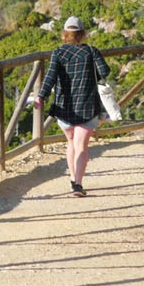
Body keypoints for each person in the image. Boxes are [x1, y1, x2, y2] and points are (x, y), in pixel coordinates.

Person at [32, 16, 109, 197]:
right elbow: (105, 71)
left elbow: (50, 77)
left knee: (70, 142)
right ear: (82, 34)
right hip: (87, 105)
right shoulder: (91, 51)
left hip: (64, 107)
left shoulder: (58, 53)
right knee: (81, 146)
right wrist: (91, 79)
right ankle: (78, 184)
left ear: (65, 34)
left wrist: (40, 97)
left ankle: (73, 177)